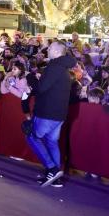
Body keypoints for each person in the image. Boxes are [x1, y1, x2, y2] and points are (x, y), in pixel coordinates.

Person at [26, 41, 73, 188]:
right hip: (59, 113)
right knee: (52, 142)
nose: (47, 49)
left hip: (47, 112)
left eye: (51, 48)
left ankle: (52, 168)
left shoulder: (54, 66)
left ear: (58, 52)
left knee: (32, 136)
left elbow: (41, 88)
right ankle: (55, 176)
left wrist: (31, 78)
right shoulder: (63, 68)